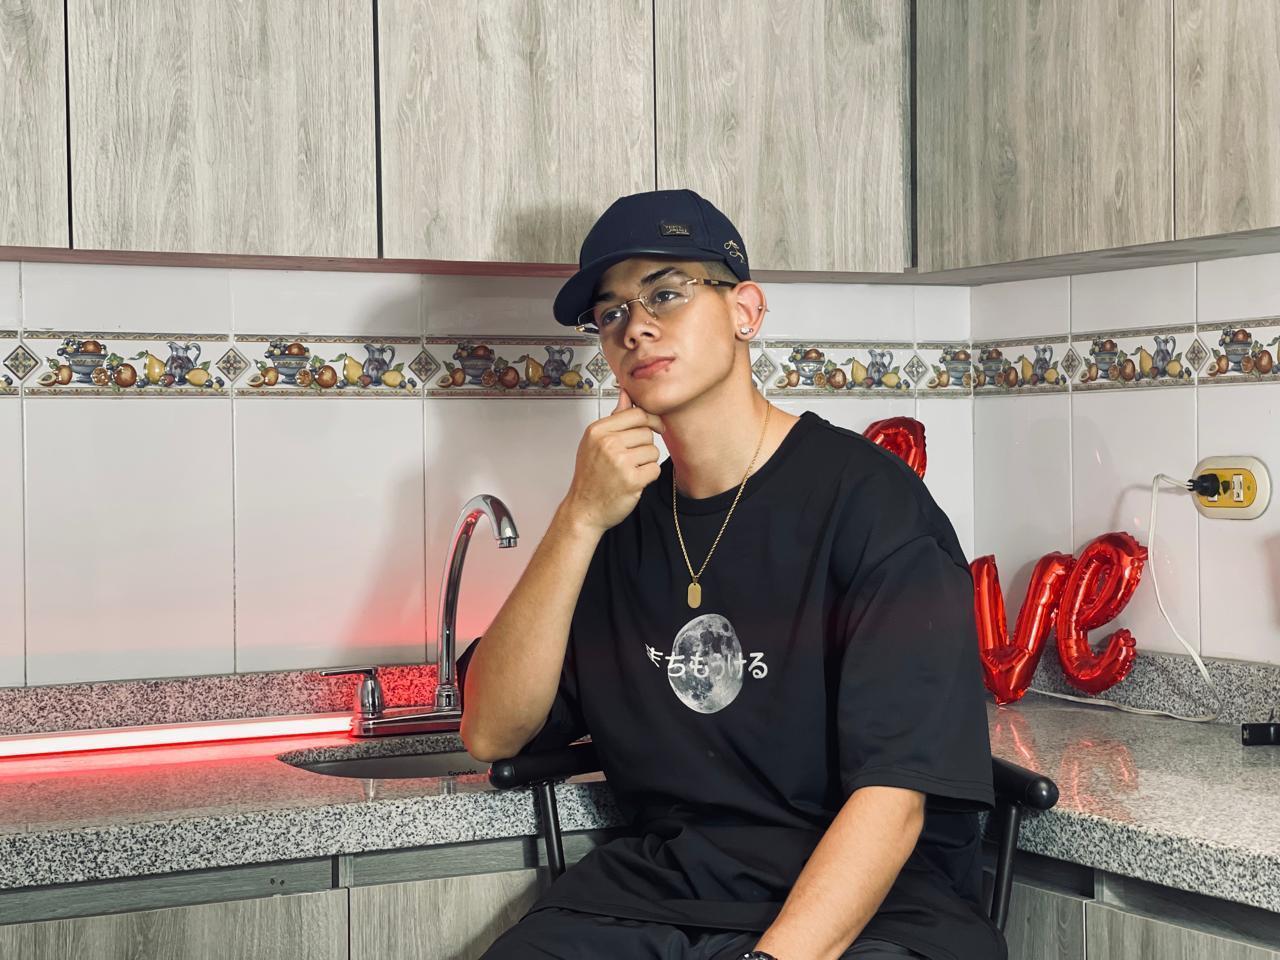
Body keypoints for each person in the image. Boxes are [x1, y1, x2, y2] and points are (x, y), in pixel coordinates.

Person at [458, 189, 1004, 960]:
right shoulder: (614, 519)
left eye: (666, 293)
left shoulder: (873, 506)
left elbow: (894, 803)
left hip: (872, 914)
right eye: (610, 313)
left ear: (745, 310)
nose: (635, 327)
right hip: (654, 896)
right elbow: (491, 731)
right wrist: (577, 518)